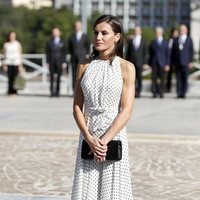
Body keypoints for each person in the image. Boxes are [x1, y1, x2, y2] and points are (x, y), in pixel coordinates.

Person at [71, 15, 135, 199]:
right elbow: (76, 107)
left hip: (114, 135)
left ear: (117, 36)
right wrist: (89, 138)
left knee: (112, 191)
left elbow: (126, 111)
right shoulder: (84, 65)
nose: (98, 37)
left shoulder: (127, 67)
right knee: (87, 191)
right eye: (96, 33)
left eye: (104, 33)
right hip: (88, 134)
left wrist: (104, 141)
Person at [172, 24, 194, 98]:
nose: (182, 31)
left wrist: (191, 61)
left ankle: (183, 93)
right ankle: (178, 93)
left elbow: (191, 51)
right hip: (177, 62)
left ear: (186, 31)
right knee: (178, 79)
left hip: (186, 62)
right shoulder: (175, 40)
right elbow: (173, 52)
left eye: (183, 29)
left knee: (184, 78)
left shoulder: (189, 39)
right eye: (180, 29)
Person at [68, 20, 90, 92]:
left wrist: (86, 56)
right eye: (76, 25)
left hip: (82, 58)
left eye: (78, 25)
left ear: (81, 26)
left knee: (83, 75)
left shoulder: (85, 36)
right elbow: (70, 48)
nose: (77, 27)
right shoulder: (71, 36)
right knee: (74, 75)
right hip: (74, 58)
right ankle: (75, 91)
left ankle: (83, 91)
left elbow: (88, 47)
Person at [148, 27, 170, 98]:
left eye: (158, 32)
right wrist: (149, 64)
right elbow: (150, 54)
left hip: (163, 63)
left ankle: (161, 92)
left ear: (161, 33)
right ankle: (154, 92)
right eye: (156, 32)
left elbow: (168, 54)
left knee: (162, 79)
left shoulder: (165, 42)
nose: (157, 33)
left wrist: (167, 64)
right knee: (154, 79)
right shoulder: (153, 42)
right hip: (154, 63)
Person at [126, 26, 147, 97]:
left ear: (141, 32)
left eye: (138, 30)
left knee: (139, 78)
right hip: (131, 62)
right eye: (135, 30)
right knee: (132, 78)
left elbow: (145, 53)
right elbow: (128, 52)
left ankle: (139, 91)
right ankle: (133, 92)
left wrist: (145, 63)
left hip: (140, 62)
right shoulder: (131, 40)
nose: (136, 32)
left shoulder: (144, 40)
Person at [46, 27, 67, 97]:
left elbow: (64, 53)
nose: (55, 33)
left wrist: (64, 62)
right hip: (51, 61)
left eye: (56, 32)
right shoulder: (49, 42)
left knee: (58, 77)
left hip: (59, 62)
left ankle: (57, 92)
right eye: (54, 32)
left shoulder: (63, 42)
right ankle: (52, 92)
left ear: (59, 33)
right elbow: (47, 53)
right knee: (51, 77)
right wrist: (47, 62)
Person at [2, 31, 23, 96]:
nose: (12, 37)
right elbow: (4, 55)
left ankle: (15, 91)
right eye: (11, 35)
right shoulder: (6, 44)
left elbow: (20, 54)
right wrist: (4, 64)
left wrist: (21, 65)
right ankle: (10, 91)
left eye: (13, 35)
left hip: (16, 62)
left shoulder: (18, 44)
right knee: (9, 78)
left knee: (15, 77)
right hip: (8, 62)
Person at [166, 27, 179, 93]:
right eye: (174, 33)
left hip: (176, 60)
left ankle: (178, 89)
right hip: (169, 60)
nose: (175, 34)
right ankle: (168, 88)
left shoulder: (178, 40)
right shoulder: (168, 40)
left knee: (177, 75)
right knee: (168, 75)